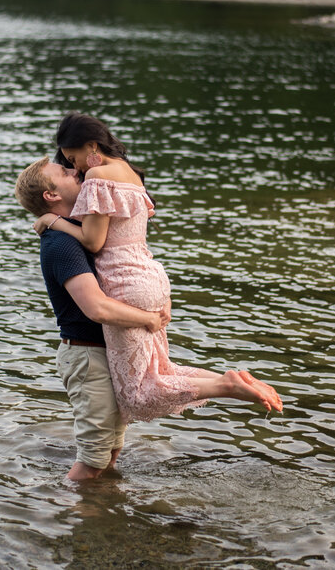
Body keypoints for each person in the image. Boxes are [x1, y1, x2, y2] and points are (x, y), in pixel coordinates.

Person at [33, 112, 283, 423]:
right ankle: (232, 380)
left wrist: (52, 221)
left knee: (136, 395)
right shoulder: (132, 176)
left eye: (74, 158)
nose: (77, 168)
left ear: (92, 146)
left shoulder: (99, 178)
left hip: (124, 284)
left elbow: (94, 241)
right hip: (152, 278)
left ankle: (226, 385)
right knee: (159, 370)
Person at [15, 156, 171, 481]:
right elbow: (96, 308)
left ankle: (104, 515)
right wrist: (147, 319)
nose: (76, 171)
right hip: (87, 355)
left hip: (106, 351)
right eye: (65, 172)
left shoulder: (81, 230)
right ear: (51, 195)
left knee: (111, 449)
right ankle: (71, 519)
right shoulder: (60, 245)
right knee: (93, 458)